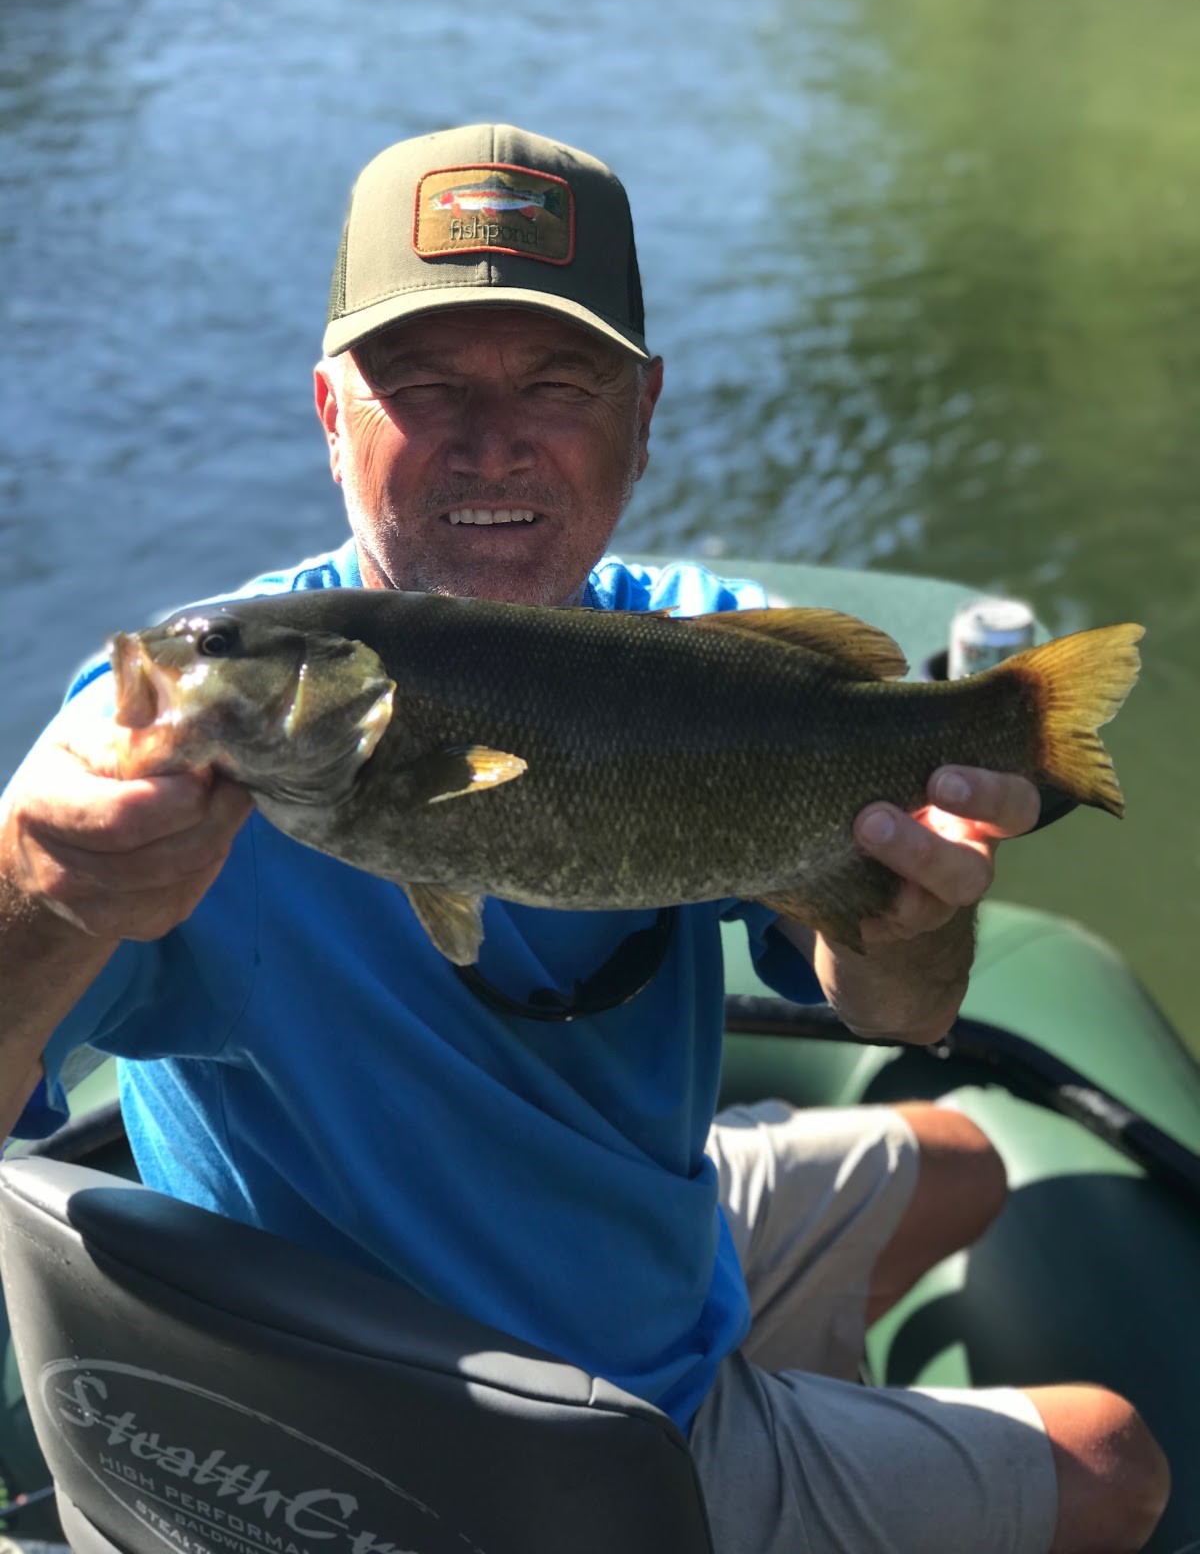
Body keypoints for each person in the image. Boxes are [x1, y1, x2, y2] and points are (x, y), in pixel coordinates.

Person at [0, 124, 1169, 1553]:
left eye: (558, 382)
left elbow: (903, 1011)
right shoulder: (154, 760)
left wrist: (915, 922)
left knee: (969, 1155)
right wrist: (40, 892)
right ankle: (741, 1460)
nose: (494, 443)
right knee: (1117, 1466)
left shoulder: (707, 643)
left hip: (635, 1247)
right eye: (423, 387)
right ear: (328, 409)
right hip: (458, 1432)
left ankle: (779, 1395)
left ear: (645, 407)